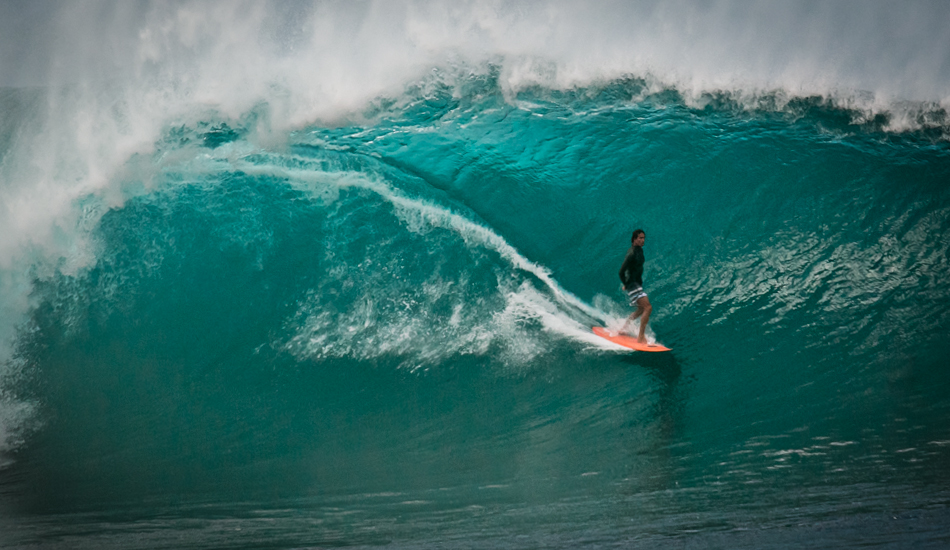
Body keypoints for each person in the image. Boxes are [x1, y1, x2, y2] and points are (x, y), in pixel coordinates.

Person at [618, 229, 654, 345]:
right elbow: (621, 272)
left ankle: (623, 329)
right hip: (632, 284)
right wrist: (626, 284)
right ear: (634, 239)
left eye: (644, 238)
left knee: (641, 309)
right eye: (640, 238)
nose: (643, 240)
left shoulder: (640, 251)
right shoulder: (632, 254)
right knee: (648, 307)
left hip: (637, 284)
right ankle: (640, 337)